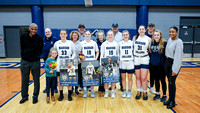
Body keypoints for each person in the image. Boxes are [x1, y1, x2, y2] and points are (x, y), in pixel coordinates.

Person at [19, 23, 43, 104]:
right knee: (24, 80)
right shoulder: (23, 36)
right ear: (29, 28)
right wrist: (24, 57)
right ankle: (24, 96)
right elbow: (22, 47)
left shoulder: (39, 38)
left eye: (35, 29)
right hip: (25, 61)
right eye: (32, 29)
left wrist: (36, 57)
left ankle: (35, 96)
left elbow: (40, 50)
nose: (34, 31)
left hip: (35, 61)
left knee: (36, 80)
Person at [163, 26, 183, 109]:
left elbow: (178, 58)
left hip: (174, 63)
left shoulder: (179, 42)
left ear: (177, 32)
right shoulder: (170, 39)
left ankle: (173, 102)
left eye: (173, 32)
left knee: (172, 83)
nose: (171, 33)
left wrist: (175, 69)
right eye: (170, 31)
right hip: (167, 62)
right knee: (169, 82)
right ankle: (170, 99)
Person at [54, 29, 76, 101]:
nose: (63, 35)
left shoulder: (70, 43)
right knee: (60, 80)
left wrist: (71, 60)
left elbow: (74, 53)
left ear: (66, 35)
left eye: (64, 34)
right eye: (61, 34)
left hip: (68, 64)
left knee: (69, 80)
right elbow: (54, 53)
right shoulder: (57, 43)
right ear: (60, 35)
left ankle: (69, 95)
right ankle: (61, 94)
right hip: (59, 63)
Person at [133, 25, 151, 100]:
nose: (141, 30)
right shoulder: (135, 38)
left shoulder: (148, 39)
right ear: (138, 30)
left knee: (143, 77)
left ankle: (145, 92)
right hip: (136, 58)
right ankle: (138, 91)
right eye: (140, 29)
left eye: (143, 29)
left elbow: (150, 50)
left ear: (145, 30)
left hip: (144, 59)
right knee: (137, 77)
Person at [80, 30, 99, 98]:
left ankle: (92, 91)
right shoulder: (82, 43)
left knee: (92, 77)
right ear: (84, 35)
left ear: (91, 35)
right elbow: (80, 52)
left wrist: (95, 59)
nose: (87, 35)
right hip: (84, 62)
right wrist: (81, 58)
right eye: (86, 34)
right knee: (85, 77)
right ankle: (85, 91)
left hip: (92, 61)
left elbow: (97, 51)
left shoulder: (94, 43)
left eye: (88, 34)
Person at [100, 30, 119, 98]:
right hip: (106, 63)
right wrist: (100, 63)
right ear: (107, 36)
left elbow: (117, 53)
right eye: (109, 35)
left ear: (113, 36)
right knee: (106, 78)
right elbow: (102, 54)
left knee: (113, 78)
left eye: (111, 35)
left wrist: (118, 60)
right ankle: (106, 92)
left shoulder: (116, 44)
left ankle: (113, 92)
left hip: (114, 63)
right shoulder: (104, 44)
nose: (110, 36)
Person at [150, 30, 167, 102]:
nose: (156, 36)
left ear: (160, 35)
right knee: (156, 80)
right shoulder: (151, 43)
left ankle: (164, 95)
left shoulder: (164, 43)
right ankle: (157, 93)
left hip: (162, 66)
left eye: (158, 35)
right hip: (154, 65)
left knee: (163, 80)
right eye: (155, 35)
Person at [41, 28, 58, 93]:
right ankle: (47, 87)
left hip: (53, 60)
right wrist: (42, 57)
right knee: (47, 74)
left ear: (51, 32)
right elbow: (41, 49)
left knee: (54, 73)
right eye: (46, 32)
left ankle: (55, 88)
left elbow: (57, 50)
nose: (47, 33)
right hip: (46, 60)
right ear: (45, 33)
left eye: (48, 32)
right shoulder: (42, 40)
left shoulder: (54, 39)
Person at [119, 30, 134, 99]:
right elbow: (118, 52)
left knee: (130, 78)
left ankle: (129, 91)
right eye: (124, 35)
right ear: (122, 36)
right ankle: (124, 91)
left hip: (130, 62)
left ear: (128, 35)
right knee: (123, 78)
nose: (125, 36)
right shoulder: (120, 43)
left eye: (126, 34)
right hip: (122, 62)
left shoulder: (132, 43)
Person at [112, 23, 123, 91]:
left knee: (121, 71)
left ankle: (122, 85)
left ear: (118, 27)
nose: (115, 28)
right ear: (112, 27)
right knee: (113, 71)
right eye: (114, 27)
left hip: (120, 55)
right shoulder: (110, 34)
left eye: (116, 27)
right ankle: (113, 85)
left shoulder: (121, 35)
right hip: (112, 55)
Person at [147, 23, 156, 94]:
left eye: (152, 27)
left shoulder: (155, 36)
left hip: (153, 57)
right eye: (150, 27)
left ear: (154, 28)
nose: (151, 28)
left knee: (152, 73)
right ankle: (141, 87)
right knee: (143, 73)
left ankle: (151, 87)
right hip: (144, 56)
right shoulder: (145, 36)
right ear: (147, 28)